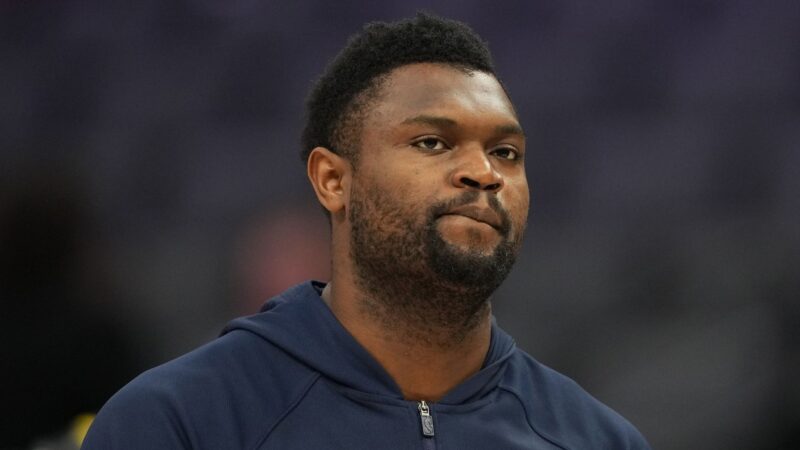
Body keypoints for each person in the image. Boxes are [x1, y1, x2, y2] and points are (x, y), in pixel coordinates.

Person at [82, 14, 651, 449]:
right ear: (333, 180)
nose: (484, 172)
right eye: (433, 142)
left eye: (506, 152)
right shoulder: (180, 421)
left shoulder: (598, 440)